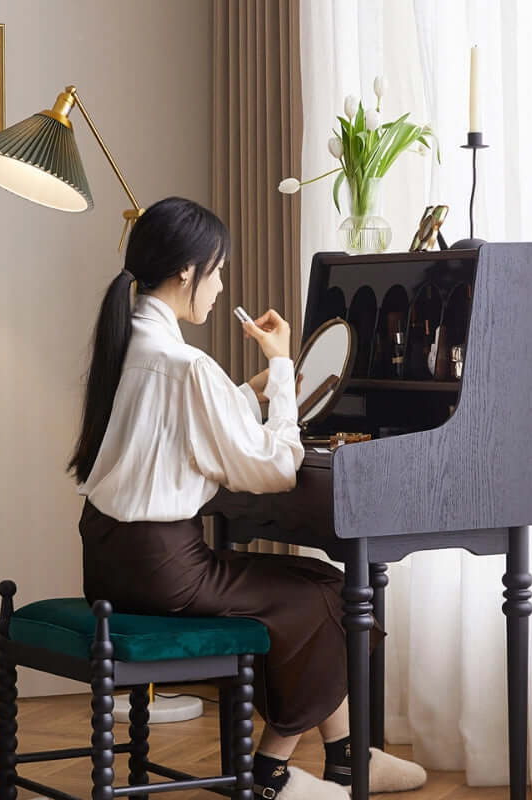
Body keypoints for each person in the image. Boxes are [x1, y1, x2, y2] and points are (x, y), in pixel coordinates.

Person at [70, 196, 426, 798]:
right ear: (188, 271)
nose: (220, 287)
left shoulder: (132, 344)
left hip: (109, 560)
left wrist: (251, 391)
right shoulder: (185, 364)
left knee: (315, 589)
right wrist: (282, 370)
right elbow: (275, 468)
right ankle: (277, 769)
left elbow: (183, 421)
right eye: (217, 272)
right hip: (164, 572)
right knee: (332, 593)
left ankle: (343, 756)